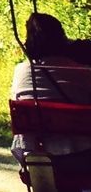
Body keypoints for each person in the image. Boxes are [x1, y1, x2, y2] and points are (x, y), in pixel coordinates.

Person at [10, 13, 91, 192]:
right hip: (83, 157)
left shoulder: (22, 71)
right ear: (62, 39)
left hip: (38, 157)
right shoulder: (83, 73)